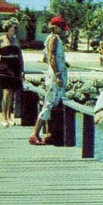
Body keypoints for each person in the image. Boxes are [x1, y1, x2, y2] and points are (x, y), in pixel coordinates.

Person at [30, 16, 70, 145]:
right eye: (62, 29)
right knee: (49, 104)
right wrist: (58, 74)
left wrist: (63, 63)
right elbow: (51, 57)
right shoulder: (54, 39)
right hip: (55, 76)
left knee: (53, 104)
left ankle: (49, 133)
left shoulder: (51, 39)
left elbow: (46, 58)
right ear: (56, 28)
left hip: (55, 73)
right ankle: (34, 134)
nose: (64, 31)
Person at [0, 18, 24, 127]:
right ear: (8, 28)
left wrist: (22, 70)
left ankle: (9, 117)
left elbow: (20, 56)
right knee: (6, 92)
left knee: (13, 93)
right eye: (13, 27)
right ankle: (3, 117)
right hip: (5, 65)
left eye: (15, 27)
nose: (14, 29)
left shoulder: (16, 40)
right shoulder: (1, 40)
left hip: (15, 66)